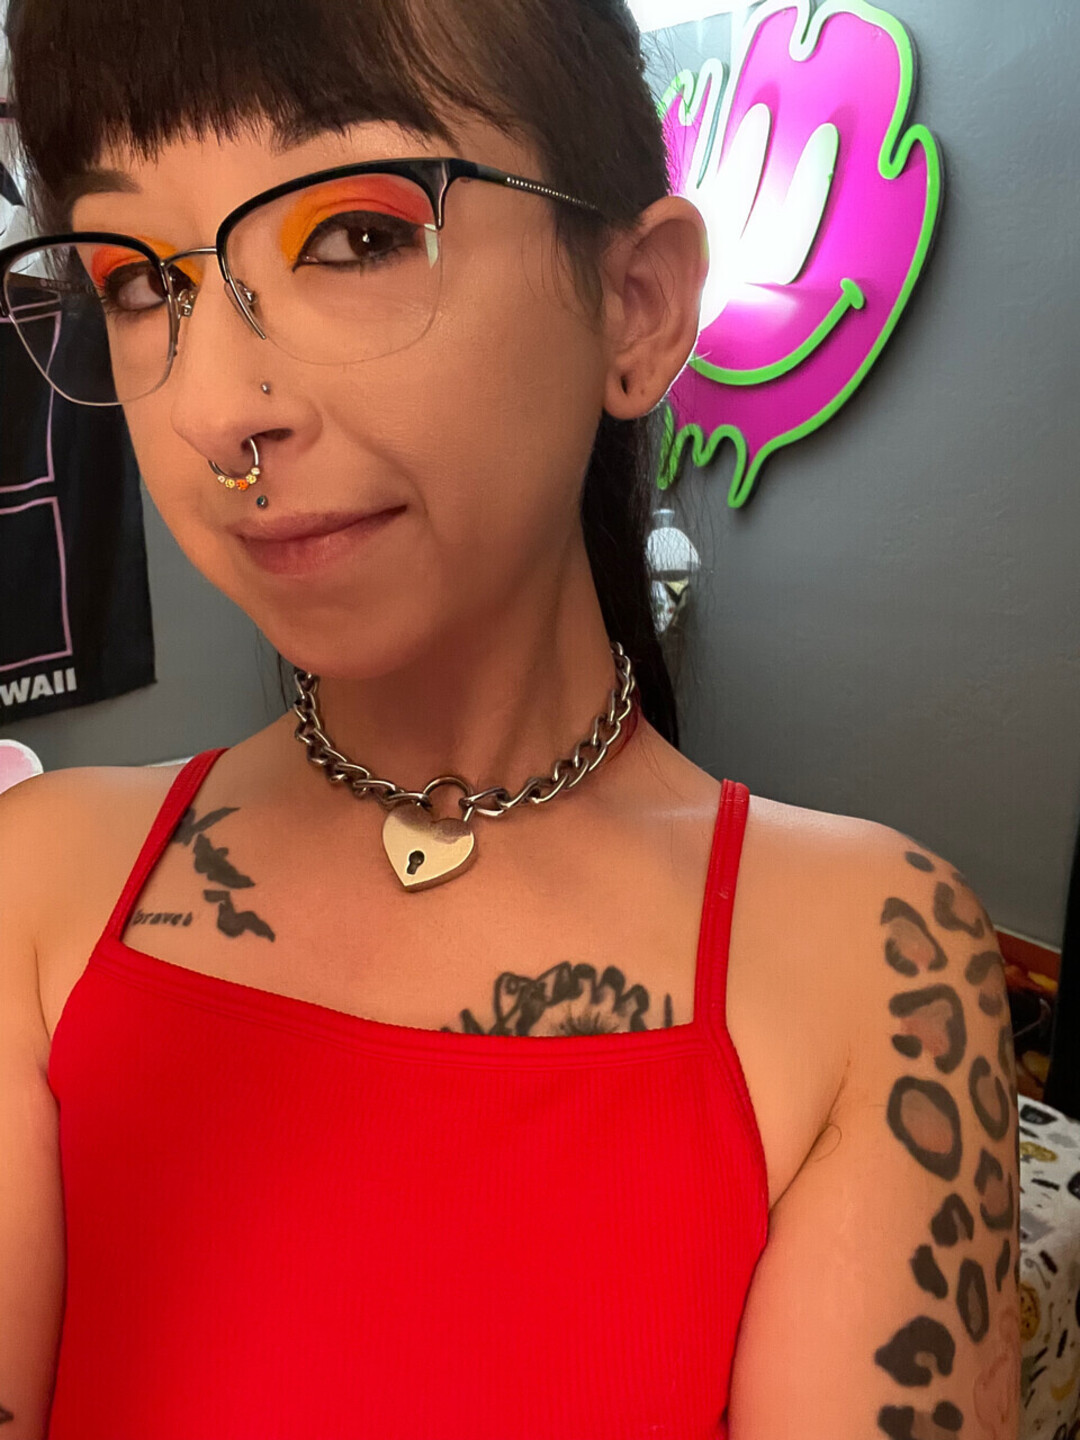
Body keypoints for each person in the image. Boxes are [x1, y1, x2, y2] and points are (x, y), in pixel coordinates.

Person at [0, 1, 1021, 1437]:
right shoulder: (36, 885)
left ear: (636, 303)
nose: (216, 408)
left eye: (355, 236)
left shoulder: (877, 964)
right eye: (136, 280)